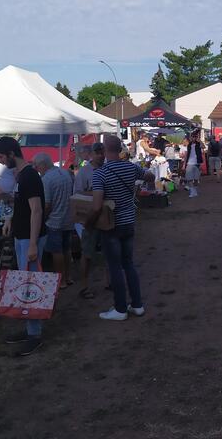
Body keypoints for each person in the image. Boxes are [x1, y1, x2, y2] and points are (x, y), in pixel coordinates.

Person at [89, 135, 153, 321]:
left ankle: (120, 308)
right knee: (129, 264)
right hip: (129, 222)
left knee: (115, 267)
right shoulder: (131, 167)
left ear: (104, 150)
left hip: (111, 226)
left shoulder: (100, 173)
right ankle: (137, 304)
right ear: (120, 149)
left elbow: (96, 205)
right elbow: (149, 176)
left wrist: (89, 223)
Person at [0, 137, 47, 356]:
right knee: (25, 284)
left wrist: (33, 244)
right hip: (22, 235)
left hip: (30, 238)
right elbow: (21, 205)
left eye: (0, 157)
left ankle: (35, 335)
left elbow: (36, 210)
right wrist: (10, 221)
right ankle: (30, 330)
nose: (0, 161)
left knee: (31, 285)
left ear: (10, 153)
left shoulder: (30, 176)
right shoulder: (20, 176)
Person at [34, 152, 75, 287]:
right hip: (68, 218)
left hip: (55, 220)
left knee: (56, 251)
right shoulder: (65, 173)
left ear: (43, 165)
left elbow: (47, 204)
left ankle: (60, 280)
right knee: (67, 249)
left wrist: (42, 218)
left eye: (37, 166)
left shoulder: (46, 179)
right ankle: (68, 277)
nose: (36, 169)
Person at [73, 142, 105, 299]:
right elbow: (77, 195)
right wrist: (95, 194)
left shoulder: (108, 169)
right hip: (90, 218)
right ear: (91, 154)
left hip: (107, 218)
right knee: (87, 253)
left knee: (110, 252)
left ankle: (110, 282)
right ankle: (85, 286)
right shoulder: (84, 172)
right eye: (97, 152)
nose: (100, 155)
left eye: (102, 152)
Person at [185, 132, 204, 196]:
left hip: (197, 163)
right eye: (192, 137)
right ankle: (192, 192)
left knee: (196, 179)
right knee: (189, 178)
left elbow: (203, 147)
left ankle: (195, 191)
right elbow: (187, 154)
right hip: (189, 163)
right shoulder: (189, 145)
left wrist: (199, 140)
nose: (193, 138)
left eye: (195, 137)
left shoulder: (199, 144)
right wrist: (184, 164)